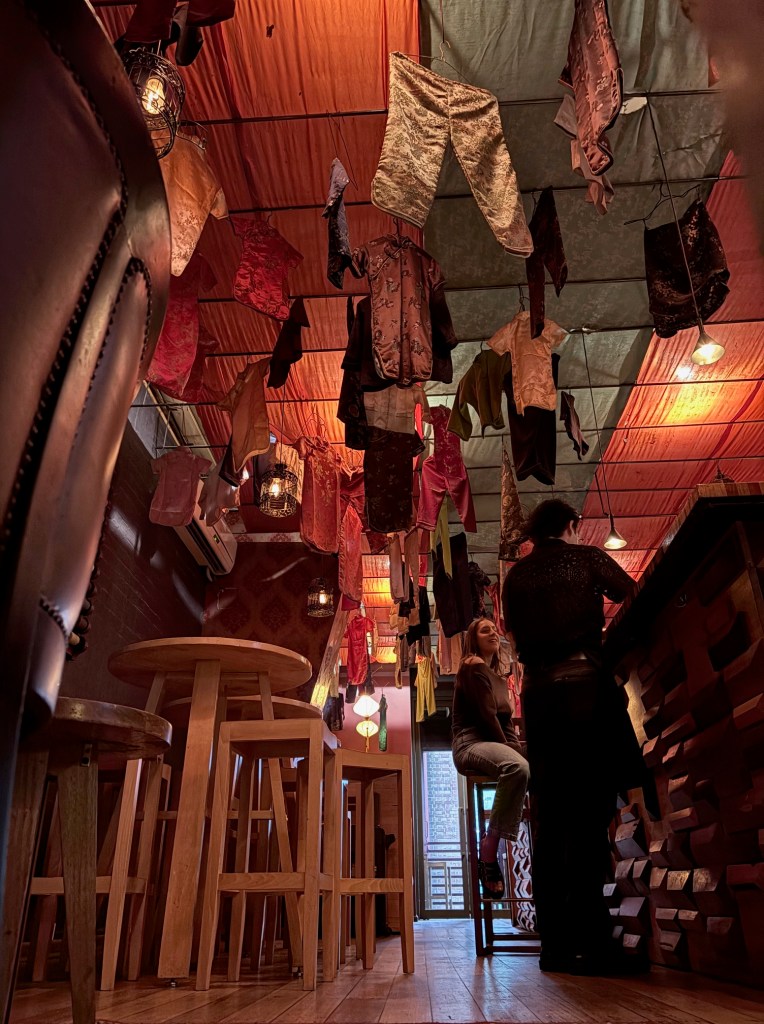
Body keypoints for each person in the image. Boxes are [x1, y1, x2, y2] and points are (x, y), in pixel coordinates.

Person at [502, 499, 649, 975]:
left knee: (551, 816)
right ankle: (596, 943)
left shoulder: (515, 577)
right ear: (571, 524)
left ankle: (556, 946)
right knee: (588, 813)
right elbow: (633, 593)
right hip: (584, 687)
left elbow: (514, 633)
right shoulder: (585, 557)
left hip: (537, 698)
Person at [451, 617, 530, 899]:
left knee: (541, 760)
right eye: (486, 631)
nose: (493, 634)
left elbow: (505, 724)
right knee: (517, 766)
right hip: (470, 743)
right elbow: (487, 717)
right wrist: (515, 753)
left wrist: (518, 748)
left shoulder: (498, 676)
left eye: (495, 630)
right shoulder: (472, 666)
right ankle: (489, 847)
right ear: (473, 639)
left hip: (493, 742)